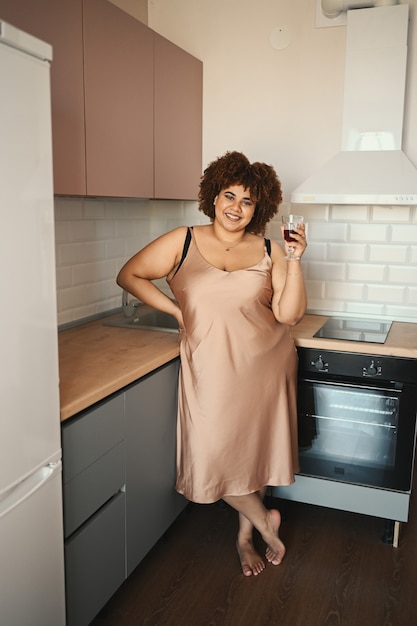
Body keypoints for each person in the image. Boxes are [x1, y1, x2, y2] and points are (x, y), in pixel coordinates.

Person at [117, 151, 307, 577]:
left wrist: (293, 261)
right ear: (213, 195)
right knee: (214, 453)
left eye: (248, 201)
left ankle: (244, 537)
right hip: (211, 367)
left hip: (266, 364)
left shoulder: (268, 248)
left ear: (260, 208)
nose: (236, 208)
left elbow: (289, 316)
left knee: (252, 452)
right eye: (229, 195)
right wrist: (178, 312)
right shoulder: (182, 240)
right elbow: (130, 275)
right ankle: (265, 520)